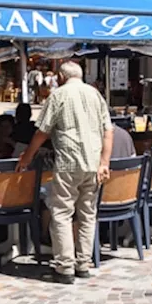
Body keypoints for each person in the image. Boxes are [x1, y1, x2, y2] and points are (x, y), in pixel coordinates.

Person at [17, 61, 113, 284]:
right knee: (87, 215)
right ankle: (83, 263)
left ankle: (65, 267)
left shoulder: (59, 95)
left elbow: (42, 131)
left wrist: (27, 156)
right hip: (93, 162)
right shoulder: (96, 95)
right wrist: (104, 162)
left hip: (69, 162)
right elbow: (108, 130)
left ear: (60, 76)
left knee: (61, 213)